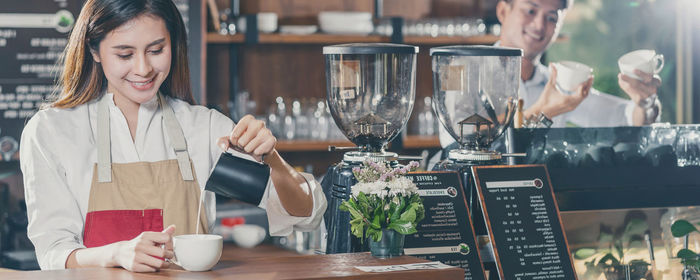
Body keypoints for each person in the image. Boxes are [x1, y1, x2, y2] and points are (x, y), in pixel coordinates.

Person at [20, 0, 326, 272]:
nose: (143, 68)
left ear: (173, 45)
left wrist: (271, 158)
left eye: (156, 50)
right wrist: (116, 253)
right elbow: (54, 252)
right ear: (94, 51)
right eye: (124, 54)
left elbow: (303, 215)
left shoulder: (203, 129)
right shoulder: (52, 131)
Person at [438, 0, 663, 148]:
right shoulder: (459, 68)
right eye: (531, 10)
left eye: (552, 17)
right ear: (503, 11)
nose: (539, 25)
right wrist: (544, 111)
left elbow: (623, 117)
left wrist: (645, 101)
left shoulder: (558, 83)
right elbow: (457, 141)